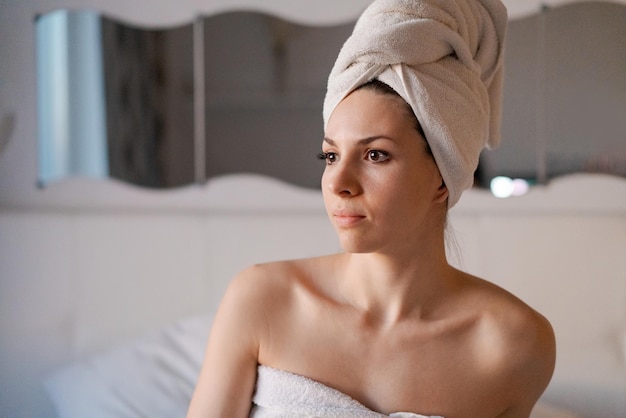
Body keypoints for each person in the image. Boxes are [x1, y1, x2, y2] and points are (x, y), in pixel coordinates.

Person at [187, 0, 556, 417]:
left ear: (442, 175)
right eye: (330, 156)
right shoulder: (262, 300)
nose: (338, 184)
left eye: (375, 155)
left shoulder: (515, 343)